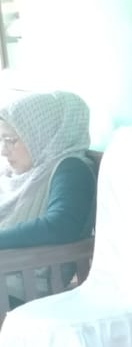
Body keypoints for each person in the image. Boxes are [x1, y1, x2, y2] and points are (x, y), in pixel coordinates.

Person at [0, 90, 95, 251]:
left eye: (11, 140)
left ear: (41, 135)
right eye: (1, 139)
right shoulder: (13, 175)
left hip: (28, 264)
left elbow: (60, 226)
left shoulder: (71, 169)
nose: (3, 151)